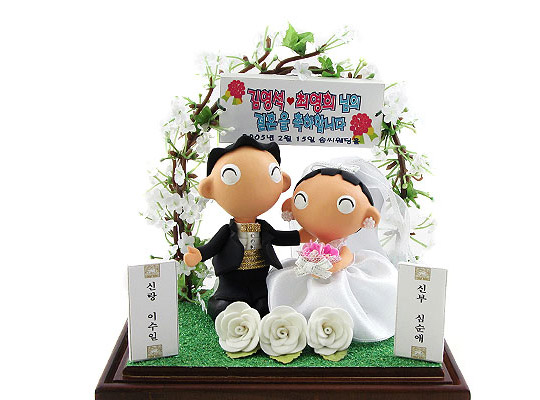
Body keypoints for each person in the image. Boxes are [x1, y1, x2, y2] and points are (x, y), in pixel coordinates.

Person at [267, 160, 404, 342]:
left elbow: (345, 255)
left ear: (368, 216)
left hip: (339, 277)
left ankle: (334, 327)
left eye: (344, 204)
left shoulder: (341, 244)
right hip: (307, 272)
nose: (321, 210)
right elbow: (291, 237)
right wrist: (270, 237)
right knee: (284, 283)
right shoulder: (308, 234)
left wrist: (332, 266)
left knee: (338, 298)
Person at [183, 135, 311, 320]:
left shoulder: (264, 228)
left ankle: (258, 305)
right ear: (209, 188)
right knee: (223, 308)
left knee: (266, 306)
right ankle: (230, 304)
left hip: (260, 280)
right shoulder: (227, 231)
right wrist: (199, 254)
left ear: (282, 182)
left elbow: (279, 237)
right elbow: (213, 246)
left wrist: (300, 236)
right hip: (231, 282)